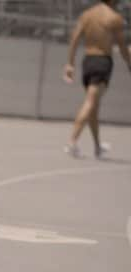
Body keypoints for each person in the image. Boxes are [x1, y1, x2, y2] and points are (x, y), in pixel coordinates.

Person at [63, 0, 130, 158]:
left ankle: (97, 146)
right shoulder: (114, 18)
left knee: (93, 105)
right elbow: (121, 46)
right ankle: (72, 141)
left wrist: (70, 63)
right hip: (102, 62)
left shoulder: (87, 14)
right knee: (90, 103)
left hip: (88, 61)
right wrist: (129, 62)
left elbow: (75, 37)